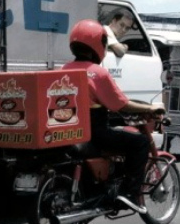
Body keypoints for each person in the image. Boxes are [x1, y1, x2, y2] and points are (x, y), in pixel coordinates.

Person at [63, 19, 165, 212]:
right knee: (140, 143)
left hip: (70, 131)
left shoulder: (64, 69)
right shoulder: (97, 73)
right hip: (96, 134)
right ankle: (129, 194)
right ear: (98, 43)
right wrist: (150, 109)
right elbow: (120, 104)